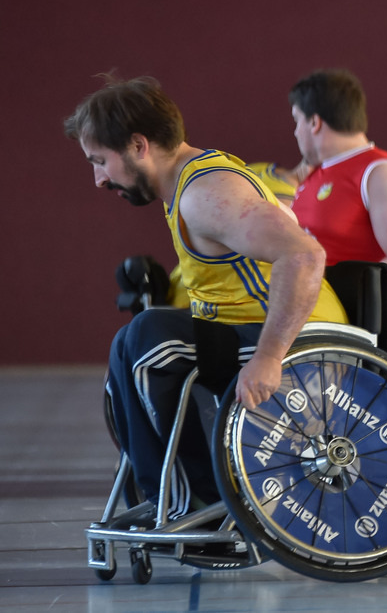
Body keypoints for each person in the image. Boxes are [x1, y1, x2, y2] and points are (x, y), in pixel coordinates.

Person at [65, 76, 347, 522]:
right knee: (133, 340)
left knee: (148, 341)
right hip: (250, 326)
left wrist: (271, 357)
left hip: (301, 334)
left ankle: (201, 502)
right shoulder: (184, 181)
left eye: (100, 161)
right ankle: (169, 494)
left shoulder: (204, 195)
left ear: (139, 145)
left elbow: (305, 255)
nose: (99, 179)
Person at [289, 69, 387, 298]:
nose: (295, 132)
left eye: (296, 121)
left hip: (334, 322)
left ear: (314, 122)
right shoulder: (312, 173)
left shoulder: (382, 173)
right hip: (294, 307)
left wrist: (347, 313)